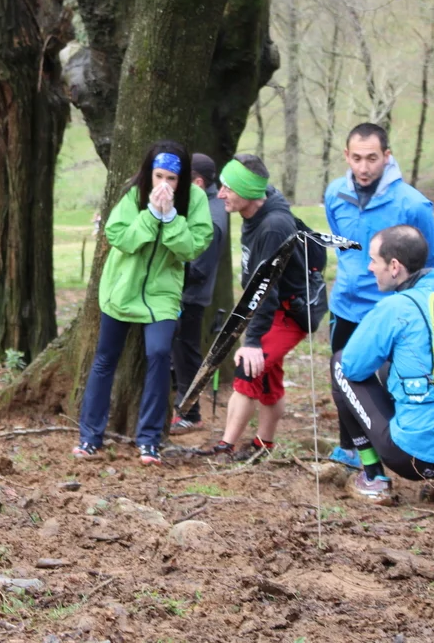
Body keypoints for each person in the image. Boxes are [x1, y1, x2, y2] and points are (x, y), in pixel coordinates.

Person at [72, 141, 212, 466]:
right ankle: (89, 437)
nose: (164, 184)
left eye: (171, 179)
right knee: (105, 358)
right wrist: (151, 215)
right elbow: (119, 237)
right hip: (122, 289)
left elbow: (192, 247)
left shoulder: (196, 200)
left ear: (182, 179)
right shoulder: (134, 194)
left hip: (163, 294)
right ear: (149, 173)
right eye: (158, 176)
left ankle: (149, 440)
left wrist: (171, 218)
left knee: (159, 354)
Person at [332, 225, 434, 505]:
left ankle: (373, 478)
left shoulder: (396, 307)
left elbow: (353, 366)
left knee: (340, 364)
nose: (370, 268)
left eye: (373, 260)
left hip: (411, 457)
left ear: (394, 266)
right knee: (402, 370)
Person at [324, 123, 434, 470]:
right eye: (357, 158)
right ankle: (351, 451)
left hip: (393, 310)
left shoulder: (413, 204)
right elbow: (342, 244)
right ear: (346, 156)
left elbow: (430, 259)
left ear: (387, 156)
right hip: (346, 305)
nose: (364, 167)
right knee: (344, 375)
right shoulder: (334, 194)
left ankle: (404, 448)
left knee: (393, 380)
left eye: (372, 158)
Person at [199, 154, 311, 461]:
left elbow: (267, 289)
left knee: (247, 371)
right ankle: (264, 445)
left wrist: (252, 342)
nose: (220, 194)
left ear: (248, 191)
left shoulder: (273, 226)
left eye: (228, 188)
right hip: (273, 307)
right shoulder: (257, 207)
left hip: (289, 311)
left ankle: (226, 447)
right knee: (268, 378)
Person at [170, 153, 227, 433]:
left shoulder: (213, 215)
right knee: (178, 353)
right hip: (185, 294)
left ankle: (190, 414)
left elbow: (199, 269)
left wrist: (166, 276)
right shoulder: (204, 204)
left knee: (186, 354)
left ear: (199, 182)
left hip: (190, 297)